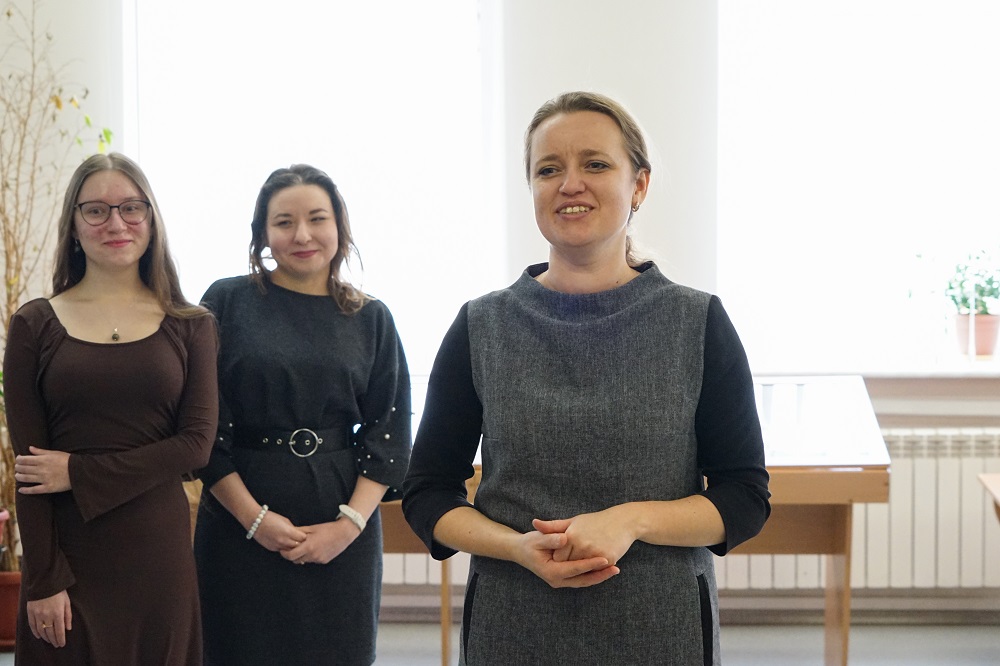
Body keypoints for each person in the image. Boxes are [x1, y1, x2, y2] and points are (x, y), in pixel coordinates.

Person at [402, 91, 771, 665]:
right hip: (513, 624)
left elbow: (743, 497)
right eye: (548, 169)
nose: (570, 184)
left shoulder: (697, 322)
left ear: (639, 186)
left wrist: (631, 520)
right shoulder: (481, 326)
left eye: (595, 164)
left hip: (659, 626)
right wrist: (516, 547)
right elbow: (428, 492)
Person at [4, 152, 219, 664]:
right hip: (67, 559)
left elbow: (196, 446)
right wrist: (43, 579)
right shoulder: (34, 325)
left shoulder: (191, 324)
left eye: (131, 207)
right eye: (96, 210)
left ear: (151, 219)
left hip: (157, 556)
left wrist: (78, 473)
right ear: (74, 226)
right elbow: (31, 471)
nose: (116, 223)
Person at [193, 164, 411, 666]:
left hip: (343, 526)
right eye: (284, 222)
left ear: (339, 226)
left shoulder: (371, 317)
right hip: (236, 523)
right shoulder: (226, 301)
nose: (303, 235)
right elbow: (204, 426)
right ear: (262, 233)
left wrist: (347, 527)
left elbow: (389, 432)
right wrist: (254, 521)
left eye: (317, 218)